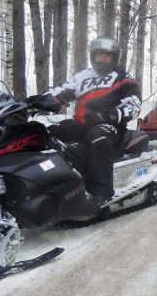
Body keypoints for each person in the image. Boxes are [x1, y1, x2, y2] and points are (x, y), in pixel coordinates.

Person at [28, 37, 141, 205]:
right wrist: (34, 101)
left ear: (114, 58)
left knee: (98, 138)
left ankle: (100, 193)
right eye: (99, 55)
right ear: (93, 56)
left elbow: (134, 104)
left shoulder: (123, 78)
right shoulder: (83, 76)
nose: (102, 59)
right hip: (81, 122)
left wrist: (108, 115)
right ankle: (50, 183)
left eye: (106, 56)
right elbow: (62, 91)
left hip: (110, 124)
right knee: (45, 133)